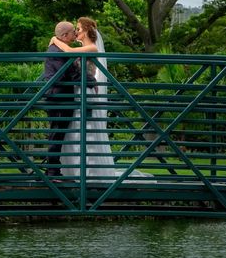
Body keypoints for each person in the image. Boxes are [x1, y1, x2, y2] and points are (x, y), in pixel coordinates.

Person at [49, 17, 153, 182]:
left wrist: (54, 39)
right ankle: (75, 170)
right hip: (76, 94)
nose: (77, 32)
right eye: (75, 29)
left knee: (86, 131)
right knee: (75, 132)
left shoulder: (91, 48)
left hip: (85, 95)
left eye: (79, 28)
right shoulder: (82, 47)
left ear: (87, 30)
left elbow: (67, 52)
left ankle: (88, 173)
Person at [42, 21, 86, 180]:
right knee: (56, 135)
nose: (75, 34)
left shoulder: (57, 48)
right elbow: (70, 73)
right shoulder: (57, 51)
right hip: (58, 98)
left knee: (57, 135)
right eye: (73, 32)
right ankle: (53, 172)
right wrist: (91, 80)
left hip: (59, 97)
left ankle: (51, 170)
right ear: (64, 36)